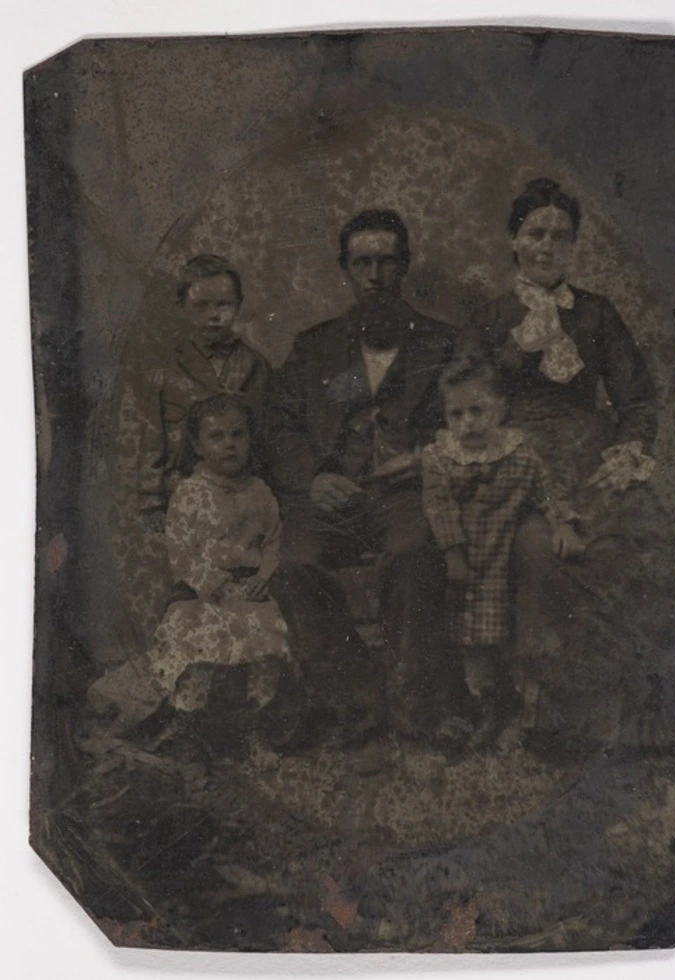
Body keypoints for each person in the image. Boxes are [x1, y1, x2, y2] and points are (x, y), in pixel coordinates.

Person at [464, 177, 675, 757]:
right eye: (535, 233)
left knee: (649, 537)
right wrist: (517, 351)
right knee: (543, 552)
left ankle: (639, 714)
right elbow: (463, 397)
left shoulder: (598, 314)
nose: (547, 246)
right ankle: (553, 718)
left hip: (591, 456)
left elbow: (636, 399)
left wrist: (626, 451)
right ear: (513, 240)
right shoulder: (490, 316)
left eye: (562, 236)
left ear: (575, 245)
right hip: (518, 462)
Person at [270, 209, 468, 746]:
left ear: (404, 266)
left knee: (412, 553)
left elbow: (477, 421)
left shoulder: (443, 344)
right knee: (293, 564)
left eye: (386, 262)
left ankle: (412, 708)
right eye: (363, 263)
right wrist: (313, 479)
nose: (375, 275)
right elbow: (282, 427)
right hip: (330, 497)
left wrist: (425, 458)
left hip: (406, 495)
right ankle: (359, 701)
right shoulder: (314, 348)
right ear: (346, 270)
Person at [90, 395, 299, 756]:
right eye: (217, 437)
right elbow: (182, 554)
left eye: (238, 435)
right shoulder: (190, 494)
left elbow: (273, 541)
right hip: (204, 594)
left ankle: (256, 723)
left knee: (269, 640)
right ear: (198, 446)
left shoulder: (260, 492)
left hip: (251, 592)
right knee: (193, 641)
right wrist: (213, 585)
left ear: (250, 440)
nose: (229, 444)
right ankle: (188, 722)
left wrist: (264, 574)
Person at [113, 252, 274, 650]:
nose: (213, 316)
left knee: (248, 597)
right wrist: (152, 505)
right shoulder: (165, 370)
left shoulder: (256, 366)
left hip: (243, 503)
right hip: (184, 503)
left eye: (224, 305)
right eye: (201, 305)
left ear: (238, 306)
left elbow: (268, 441)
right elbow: (151, 440)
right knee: (190, 598)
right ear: (182, 307)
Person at [422, 357, 584, 748]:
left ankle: (518, 709)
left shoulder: (520, 455)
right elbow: (438, 507)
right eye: (456, 414)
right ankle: (483, 707)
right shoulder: (440, 458)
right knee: (468, 640)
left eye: (477, 410)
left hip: (500, 557)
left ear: (500, 409)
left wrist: (563, 523)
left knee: (505, 632)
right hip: (462, 559)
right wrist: (453, 555)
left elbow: (547, 492)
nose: (467, 423)